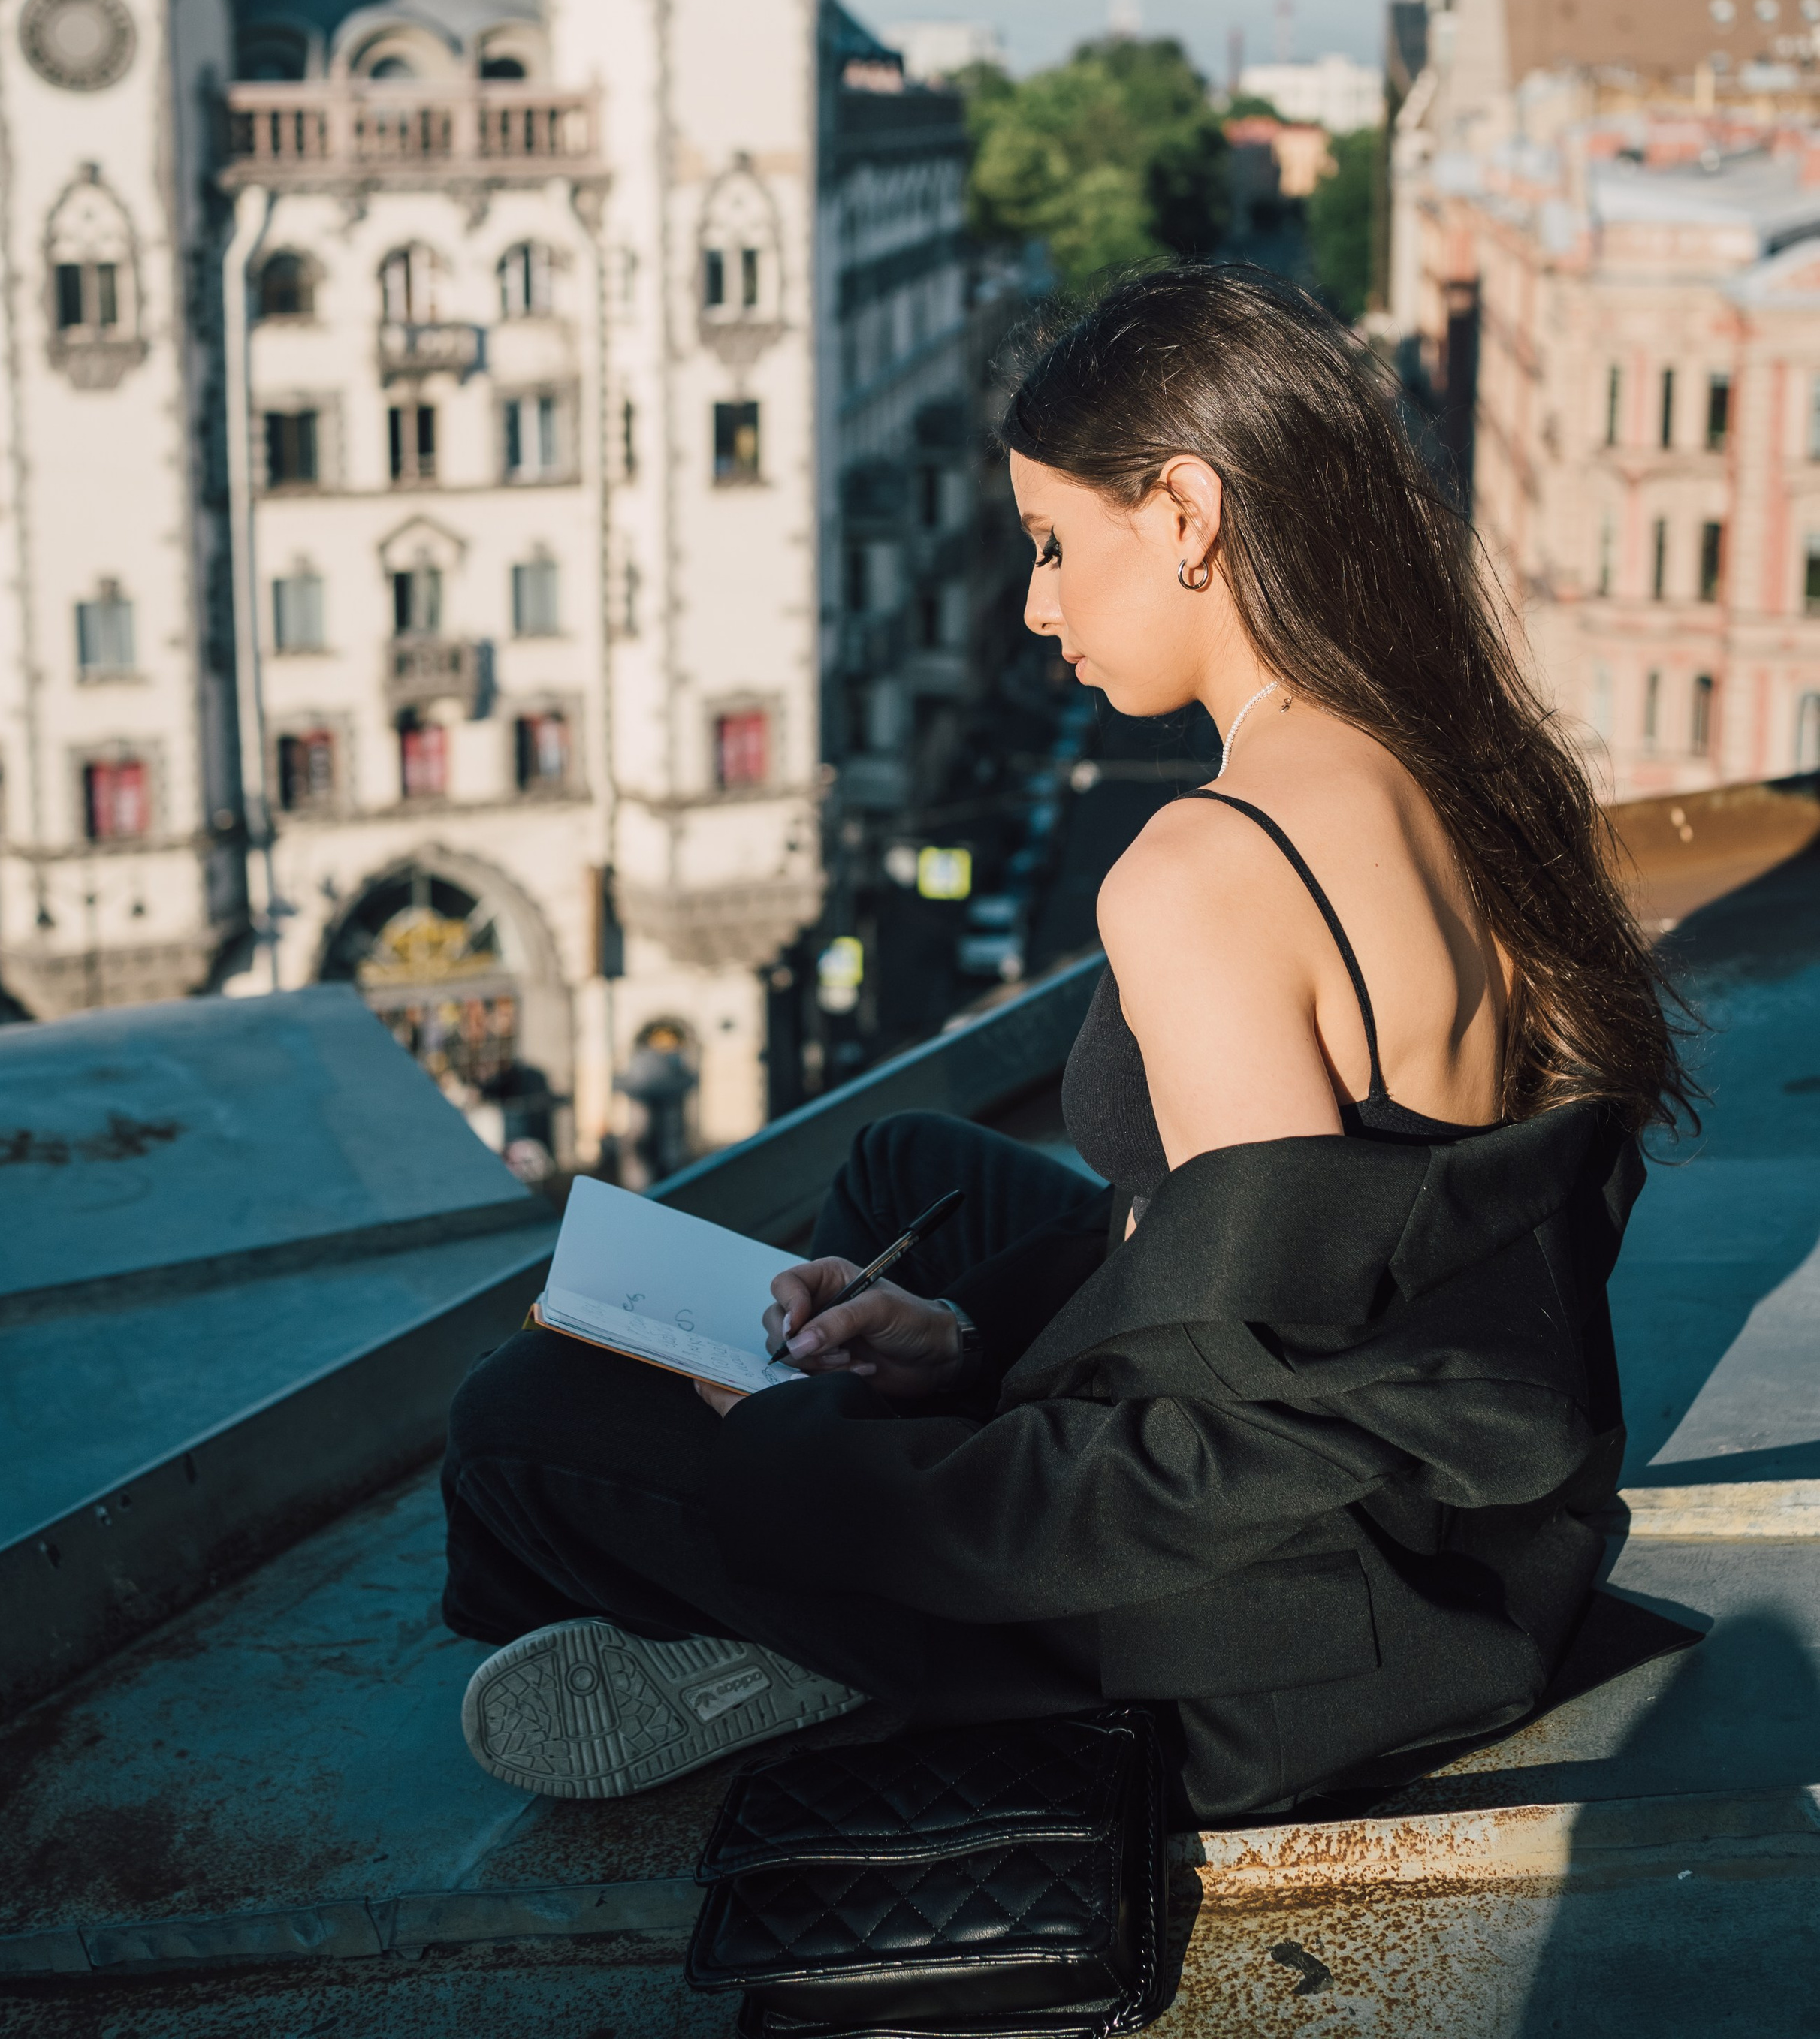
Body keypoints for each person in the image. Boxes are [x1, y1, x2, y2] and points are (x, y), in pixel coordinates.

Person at [441, 264, 1687, 1817]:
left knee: (517, 1426)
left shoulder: (1205, 870)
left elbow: (1228, 1443)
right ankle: (845, 1597)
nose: (1033, 604)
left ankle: (830, 1642)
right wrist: (955, 1350)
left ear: (1183, 512)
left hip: (1299, 1630)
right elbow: (1325, 1258)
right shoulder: (1455, 758)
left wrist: (818, 1458)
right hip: (1461, 1501)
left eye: (1049, 542)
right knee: (911, 1170)